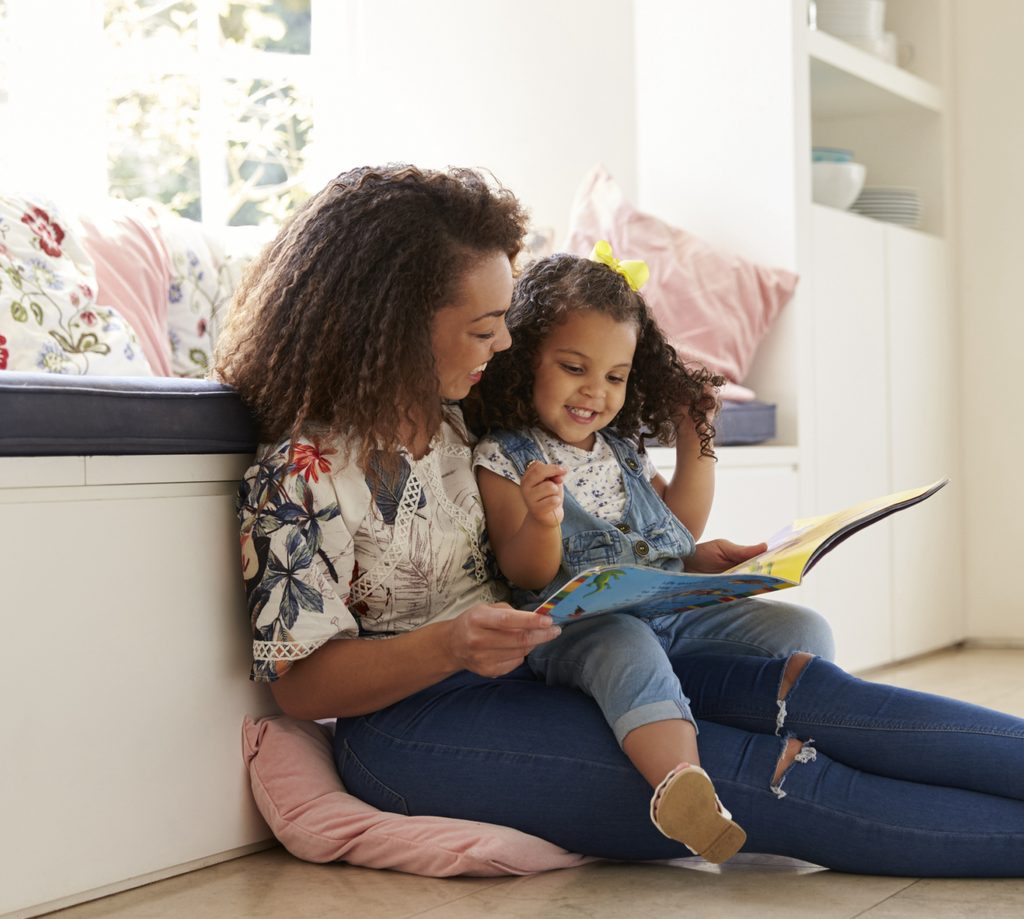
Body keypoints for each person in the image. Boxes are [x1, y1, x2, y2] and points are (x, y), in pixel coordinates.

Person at [217, 163, 1024, 878]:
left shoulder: (474, 427)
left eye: (506, 320)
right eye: (482, 326)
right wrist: (450, 644)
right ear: (392, 324)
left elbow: (586, 535)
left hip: (554, 661)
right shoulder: (298, 475)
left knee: (825, 698)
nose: (504, 342)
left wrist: (686, 572)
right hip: (417, 726)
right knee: (771, 778)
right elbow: (303, 684)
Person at [469, 247, 761, 863]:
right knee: (625, 644)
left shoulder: (621, 449)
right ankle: (682, 788)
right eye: (574, 367)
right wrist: (544, 520)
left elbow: (672, 530)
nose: (594, 393)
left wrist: (696, 443)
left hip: (664, 610)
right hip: (575, 630)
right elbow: (525, 573)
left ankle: (760, 719)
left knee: (795, 626)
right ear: (525, 362)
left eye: (615, 377)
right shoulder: (506, 455)